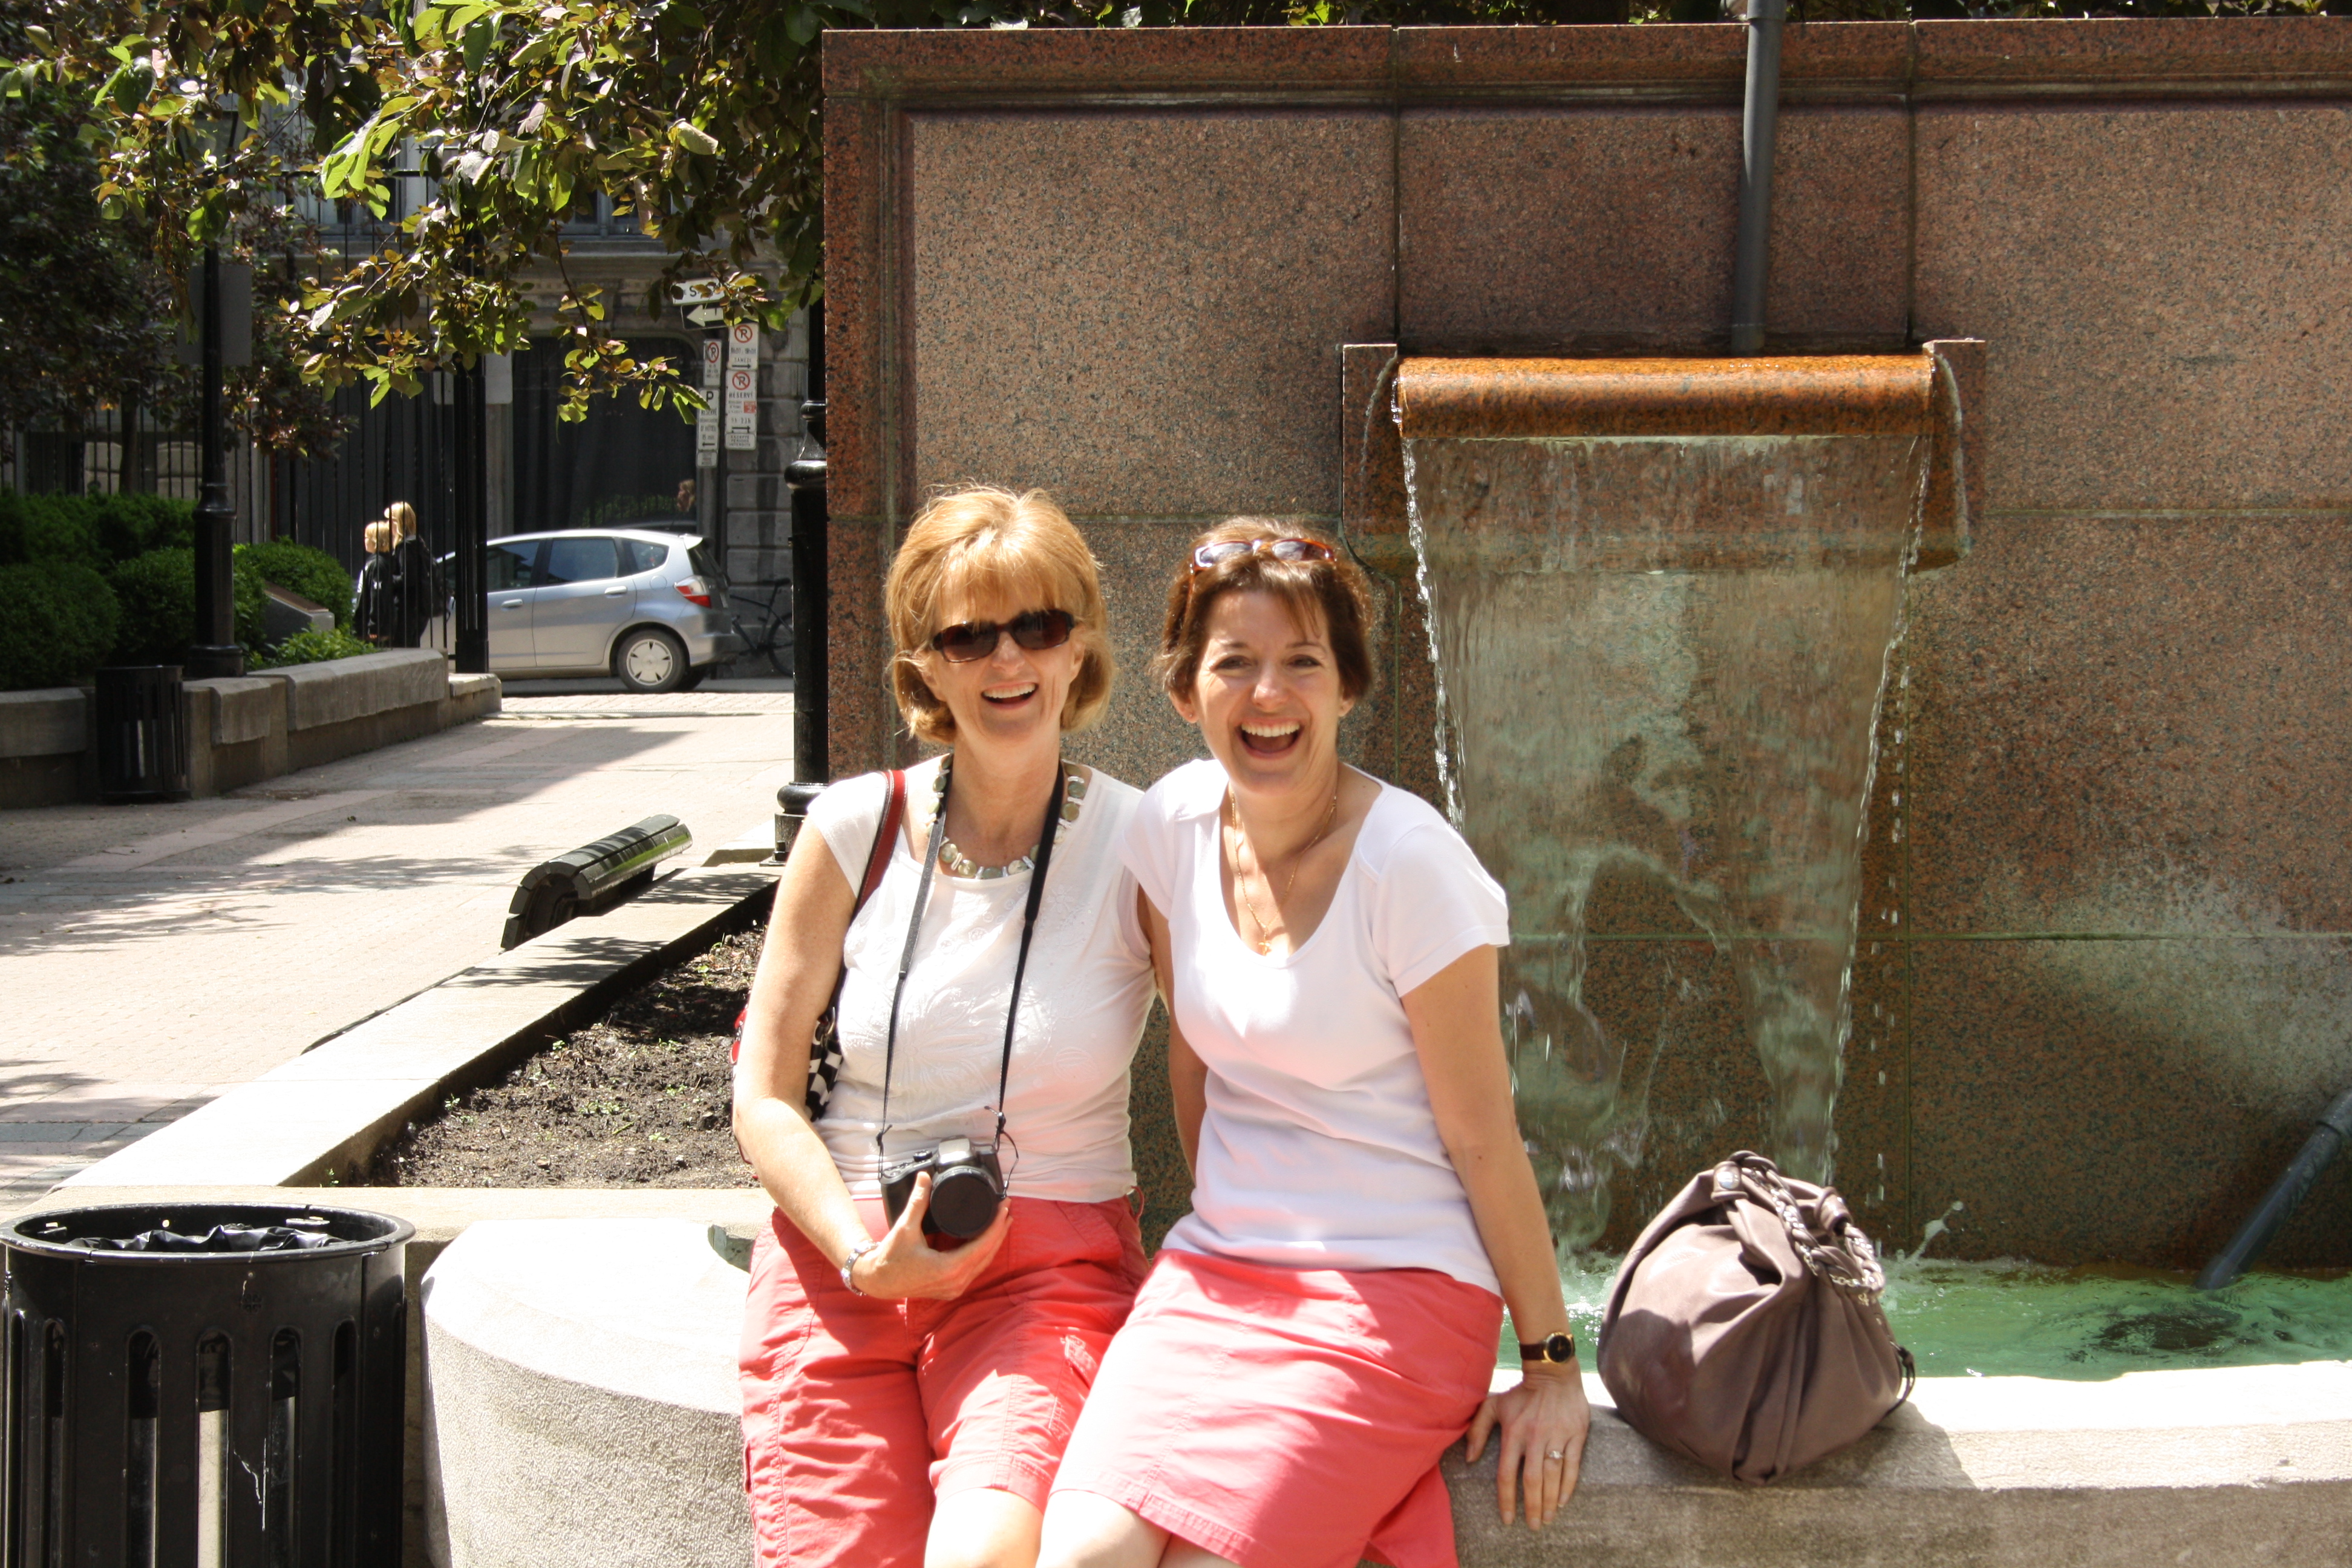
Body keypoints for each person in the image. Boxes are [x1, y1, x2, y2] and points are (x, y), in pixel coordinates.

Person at [1036, 521, 1593, 1568]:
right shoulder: (1168, 826)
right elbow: (1191, 1060)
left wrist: (1553, 1363)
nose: (1267, 695)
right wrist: (1229, 1217)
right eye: (1233, 663)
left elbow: (1485, 1140)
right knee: (1077, 1559)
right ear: (1183, 690)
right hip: (1217, 1281)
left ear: (1346, 688)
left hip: (1400, 1291)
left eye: (1302, 662)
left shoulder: (1411, 866)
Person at [733, 487, 1159, 1568]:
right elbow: (765, 1095)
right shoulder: (851, 828)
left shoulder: (1144, 844)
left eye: (1038, 625)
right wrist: (859, 1252)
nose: (1006, 657)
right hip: (845, 1262)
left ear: (1079, 650)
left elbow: (1243, 1058)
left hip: (1044, 1269)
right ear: (924, 666)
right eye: (968, 633)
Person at [385, 500, 434, 646]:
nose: (387, 525)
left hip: (408, 608)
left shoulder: (405, 547)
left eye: (390, 520)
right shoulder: (416, 543)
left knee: (403, 646)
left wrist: (387, 580)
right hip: (417, 607)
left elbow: (408, 578)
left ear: (398, 522)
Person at [354, 520, 394, 645]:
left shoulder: (378, 564)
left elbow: (377, 597)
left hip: (372, 628)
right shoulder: (378, 561)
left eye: (367, 537)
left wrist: (374, 627)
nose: (364, 540)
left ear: (375, 540)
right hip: (367, 625)